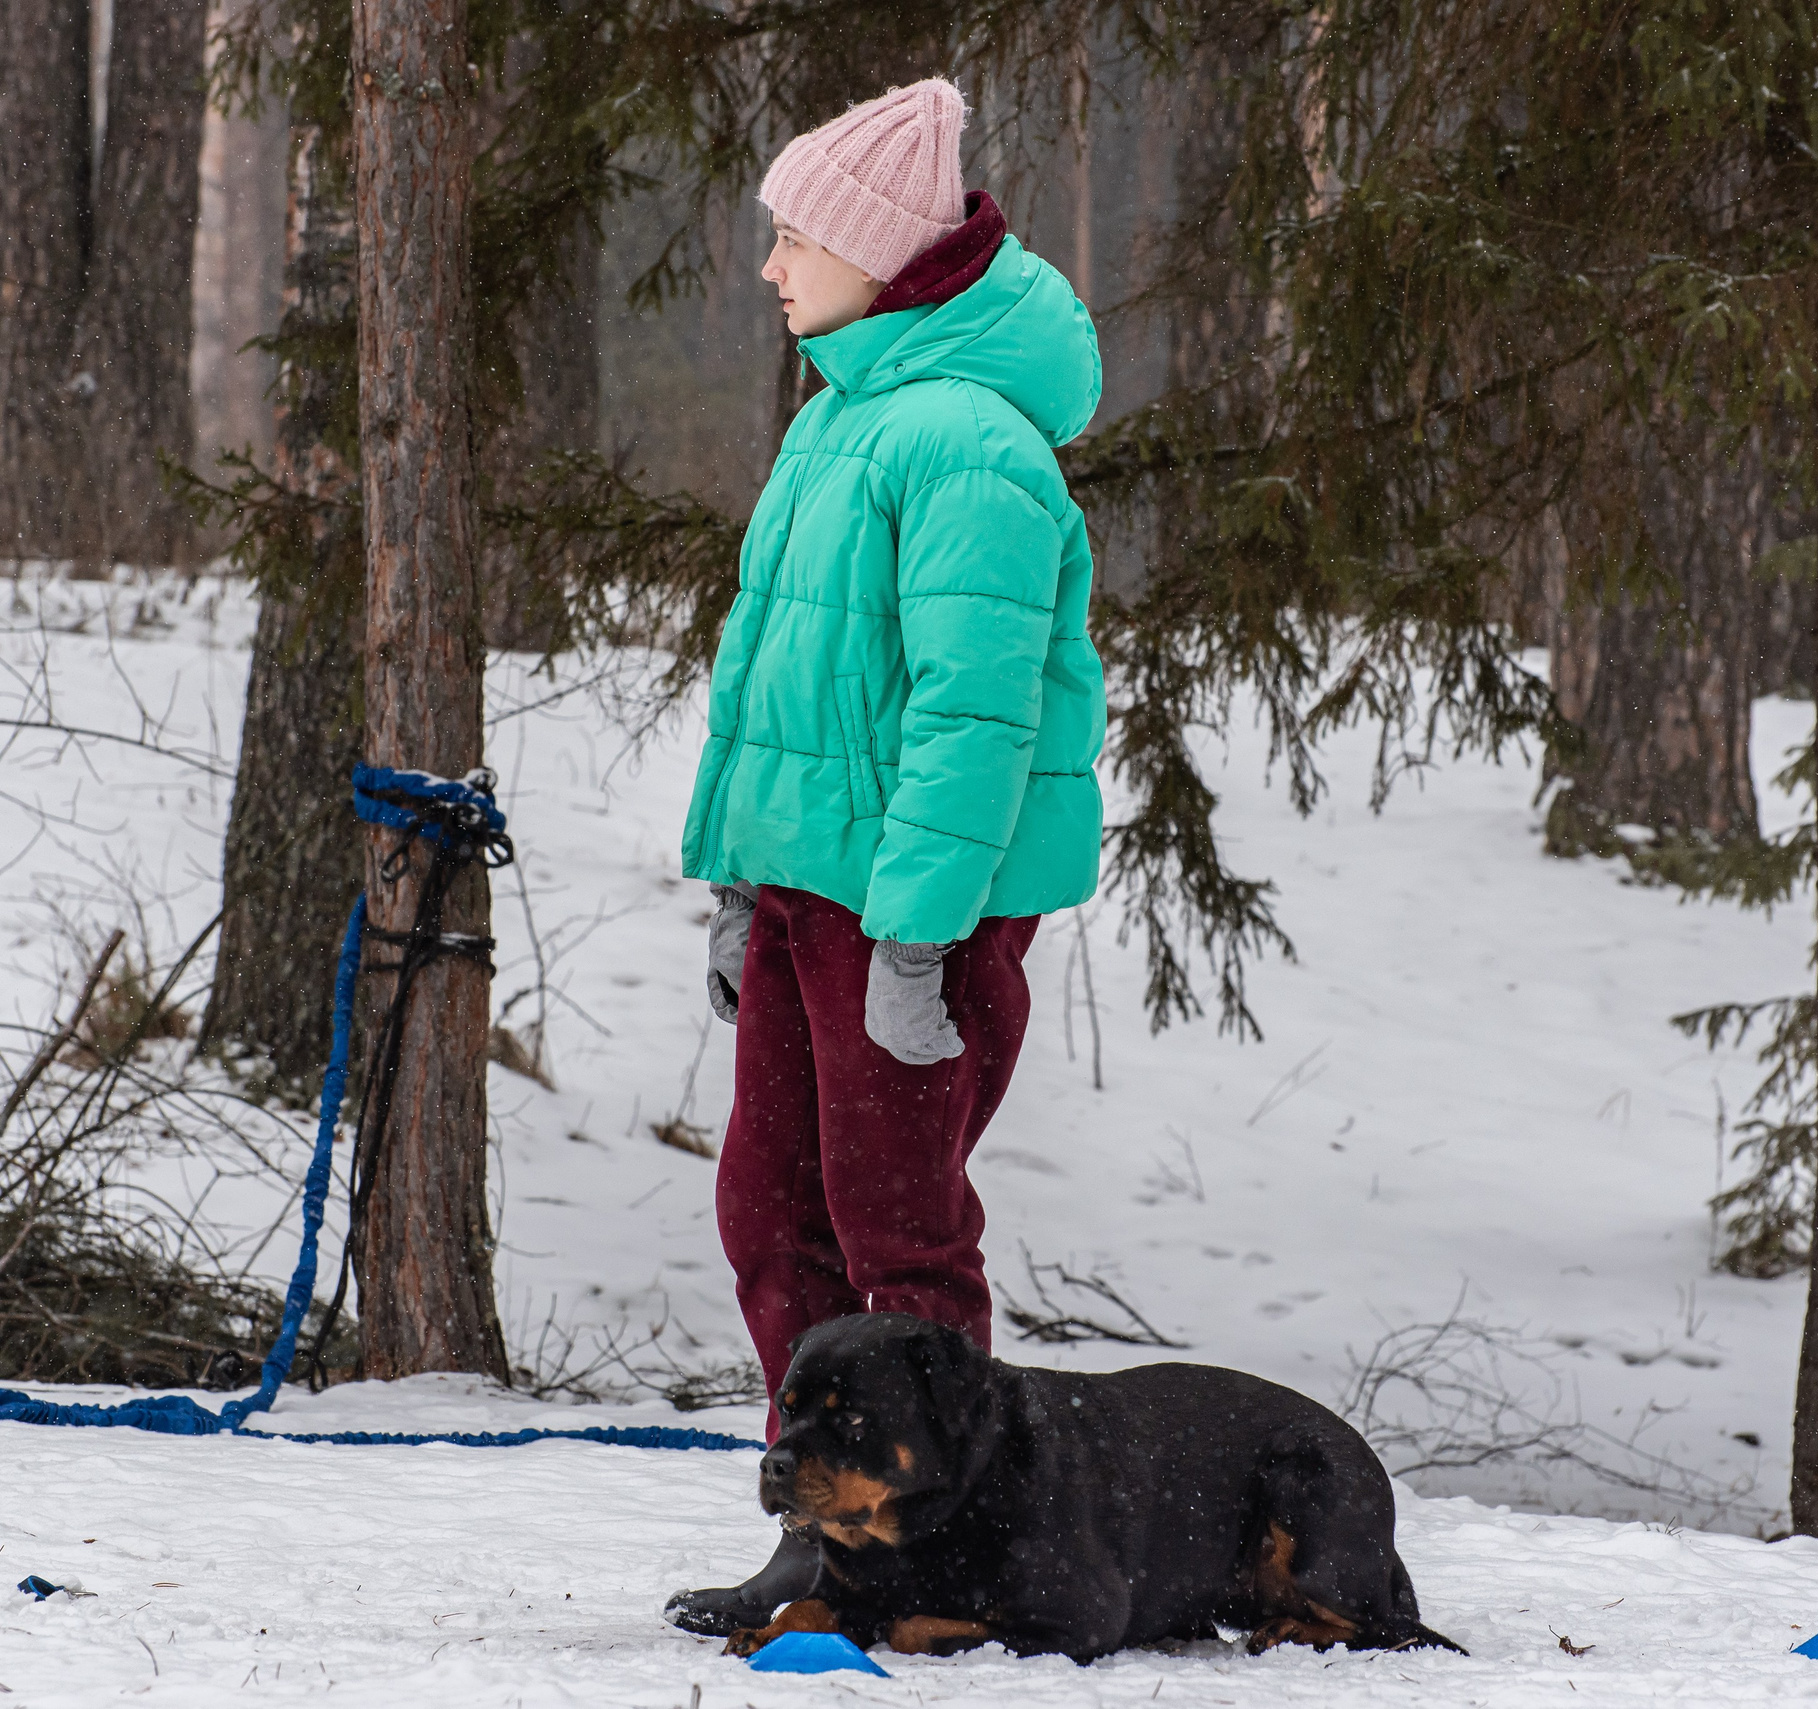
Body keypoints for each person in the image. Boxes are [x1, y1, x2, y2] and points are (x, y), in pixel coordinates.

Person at [662, 76, 1106, 1637]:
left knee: (896, 1232)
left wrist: (920, 937)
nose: (774, 268)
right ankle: (833, 1520)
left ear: (884, 253)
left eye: (796, 238)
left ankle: (944, 1540)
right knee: (768, 1204)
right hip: (805, 891)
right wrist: (738, 882)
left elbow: (974, 716)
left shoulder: (973, 445)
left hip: (907, 911)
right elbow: (772, 677)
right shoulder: (845, 422)